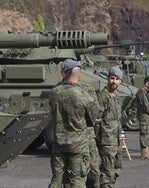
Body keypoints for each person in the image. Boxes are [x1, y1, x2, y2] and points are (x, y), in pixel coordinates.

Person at [48, 59, 98, 188]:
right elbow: (92, 119)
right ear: (80, 74)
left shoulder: (54, 92)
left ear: (63, 73)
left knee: (57, 179)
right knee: (77, 179)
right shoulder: (84, 95)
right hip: (78, 145)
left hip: (59, 142)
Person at [95, 66, 123, 188]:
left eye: (117, 79)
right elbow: (97, 119)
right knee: (107, 173)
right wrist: (96, 139)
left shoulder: (117, 97)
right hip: (106, 141)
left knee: (117, 169)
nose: (114, 81)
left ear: (120, 81)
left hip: (116, 140)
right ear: (107, 79)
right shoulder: (103, 96)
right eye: (112, 78)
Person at [136, 76, 149, 159]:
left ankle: (147, 150)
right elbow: (145, 105)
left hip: (148, 116)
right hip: (144, 116)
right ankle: (144, 152)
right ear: (146, 83)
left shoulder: (148, 92)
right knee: (144, 133)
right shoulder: (142, 92)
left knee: (148, 133)